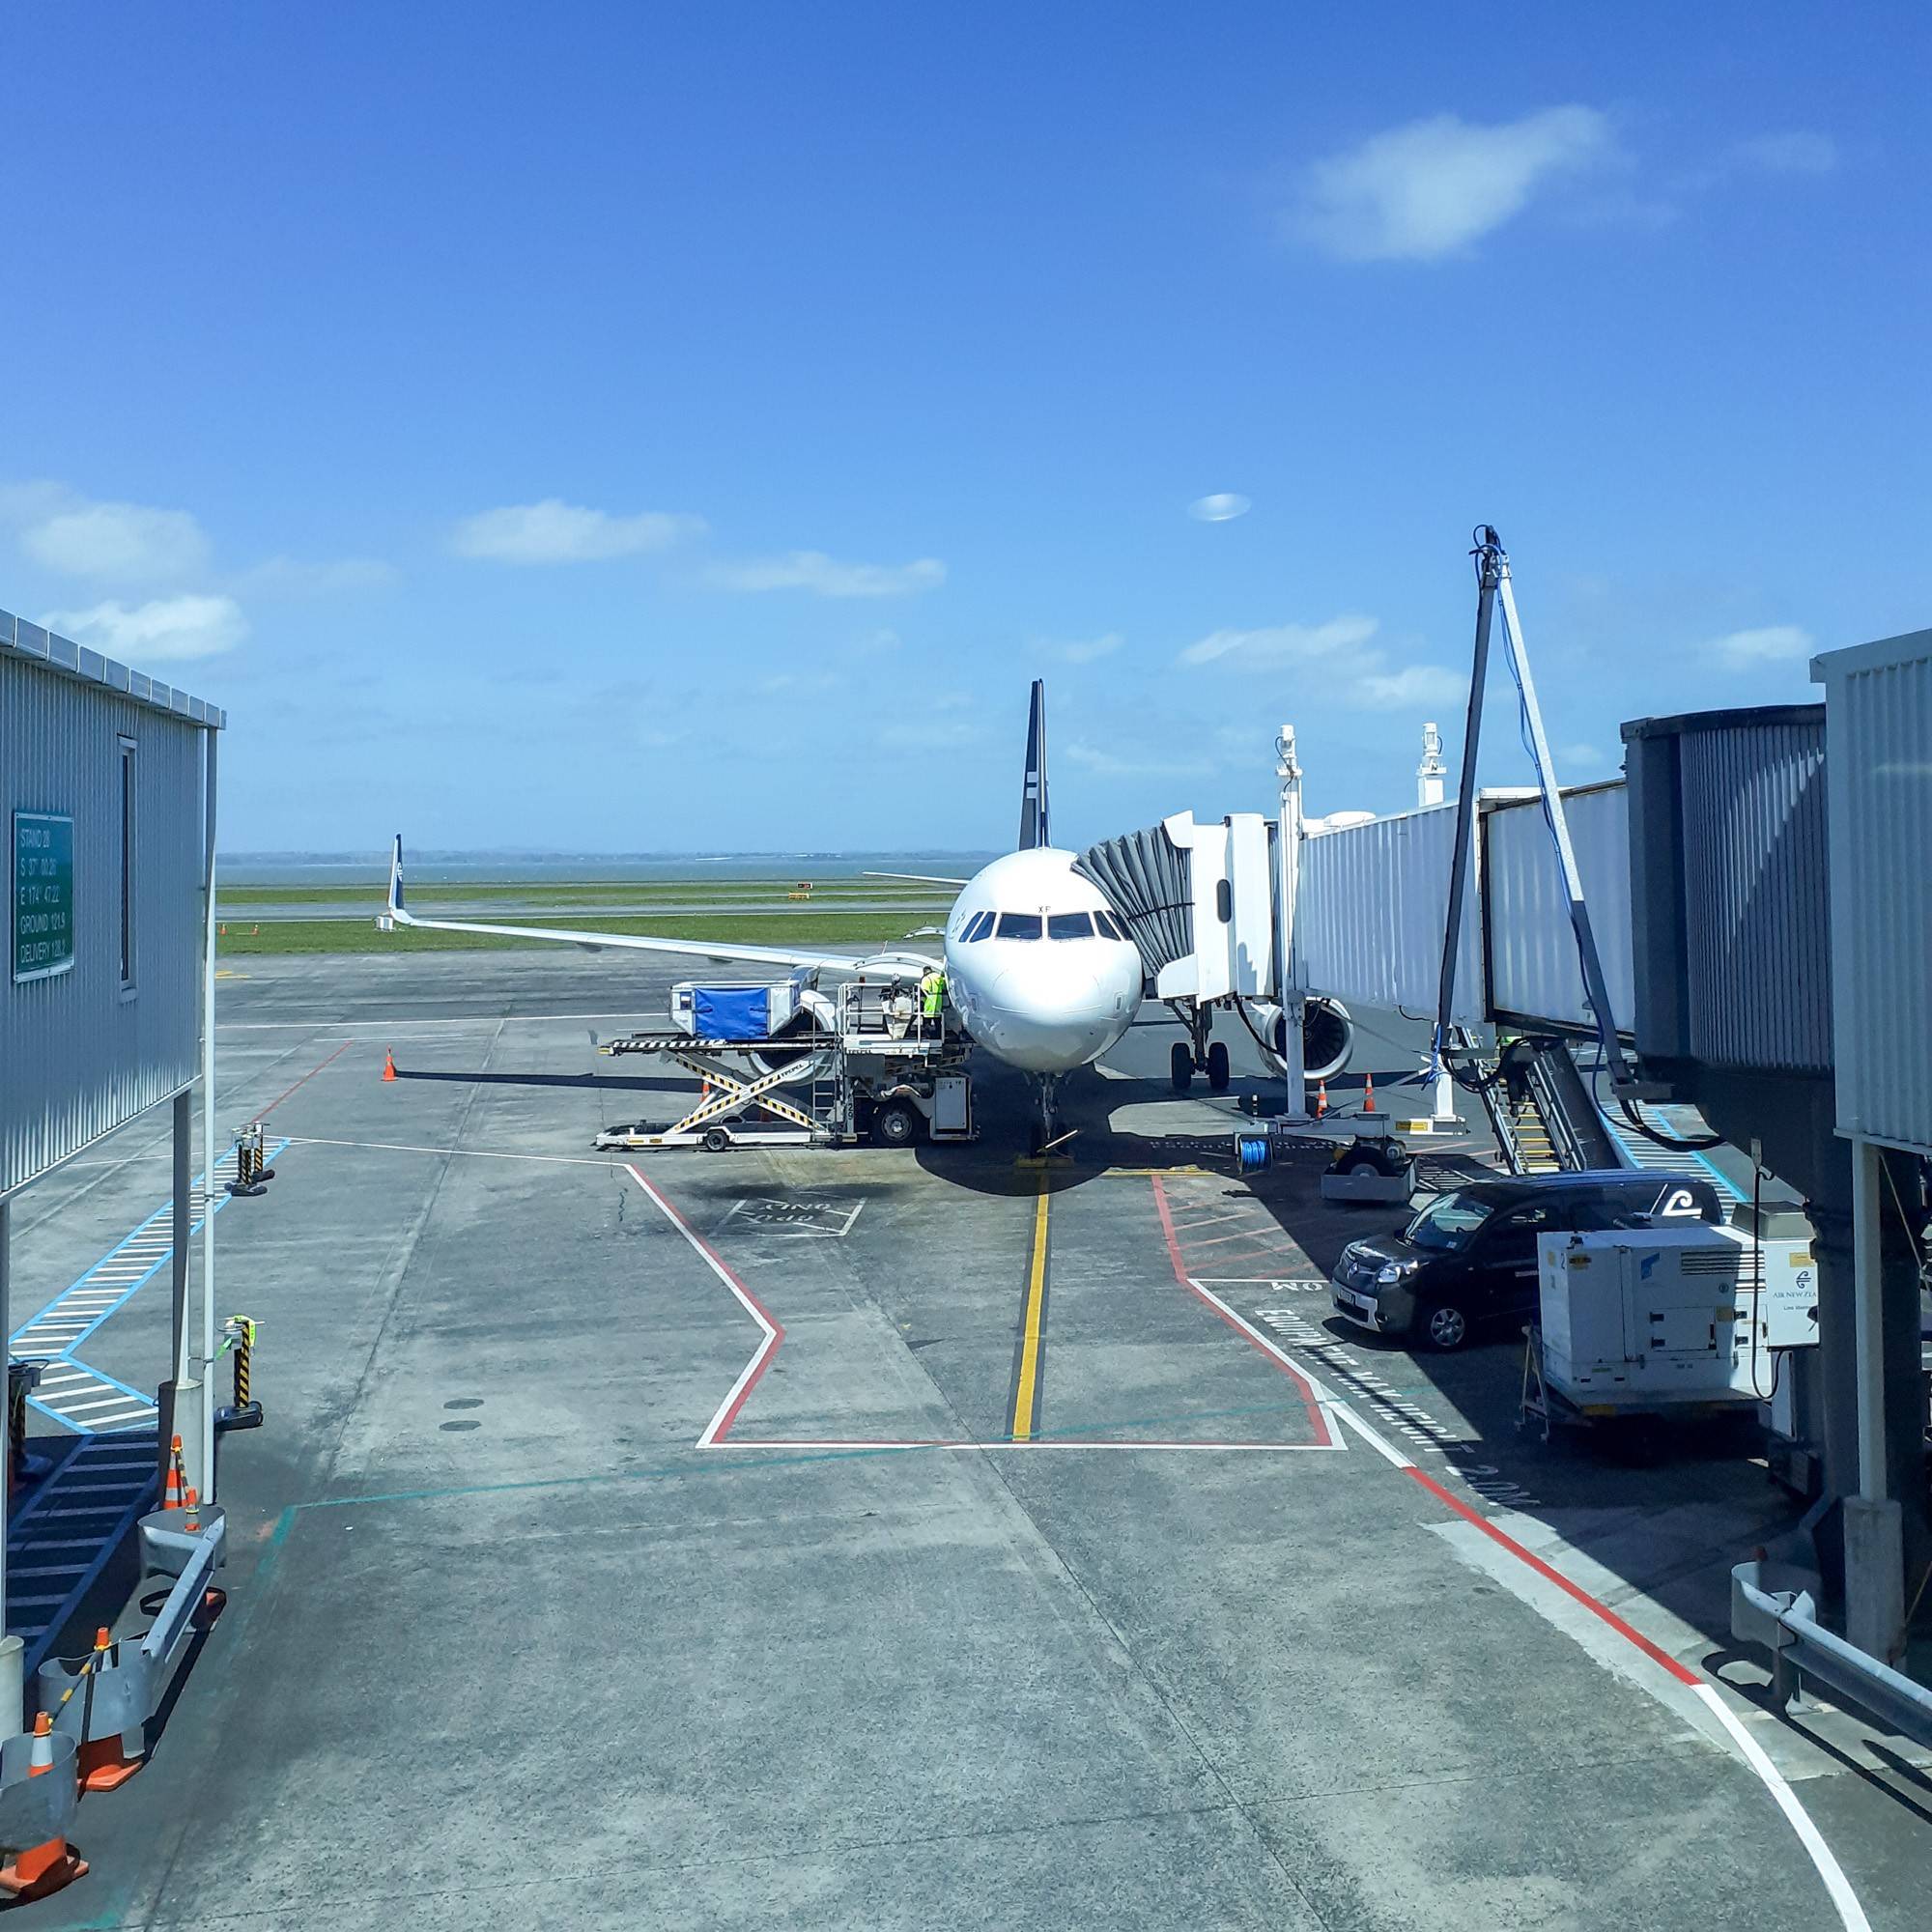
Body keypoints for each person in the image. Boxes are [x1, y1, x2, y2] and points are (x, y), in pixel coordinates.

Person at [919, 966, 947, 1038]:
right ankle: (939, 1035)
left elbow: (924, 991)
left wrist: (921, 1003)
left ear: (925, 972)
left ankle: (928, 1035)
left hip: (929, 1000)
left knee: (927, 1020)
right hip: (938, 1000)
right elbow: (944, 988)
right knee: (938, 1020)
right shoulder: (939, 977)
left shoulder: (926, 978)